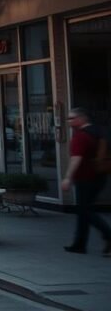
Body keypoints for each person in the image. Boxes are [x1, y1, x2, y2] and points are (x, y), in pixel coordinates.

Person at [61, 108, 111, 256]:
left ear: (81, 119)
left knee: (85, 210)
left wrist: (68, 178)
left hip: (85, 179)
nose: (69, 122)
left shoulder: (81, 137)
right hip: (99, 176)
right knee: (83, 211)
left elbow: (76, 159)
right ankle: (79, 244)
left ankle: (107, 234)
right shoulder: (99, 132)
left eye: (72, 118)